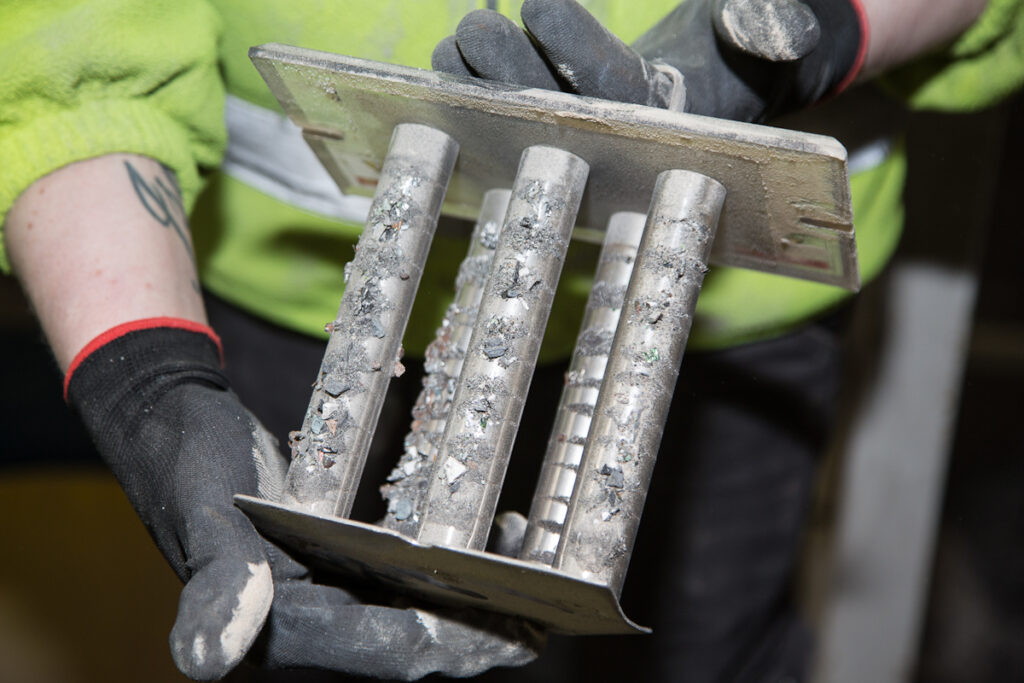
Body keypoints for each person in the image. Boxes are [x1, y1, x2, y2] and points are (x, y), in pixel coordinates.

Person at [1, 0, 1021, 680]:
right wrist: (147, 377)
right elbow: (59, 49)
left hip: (731, 323)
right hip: (289, 294)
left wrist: (817, 31)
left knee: (701, 646)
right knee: (314, 642)